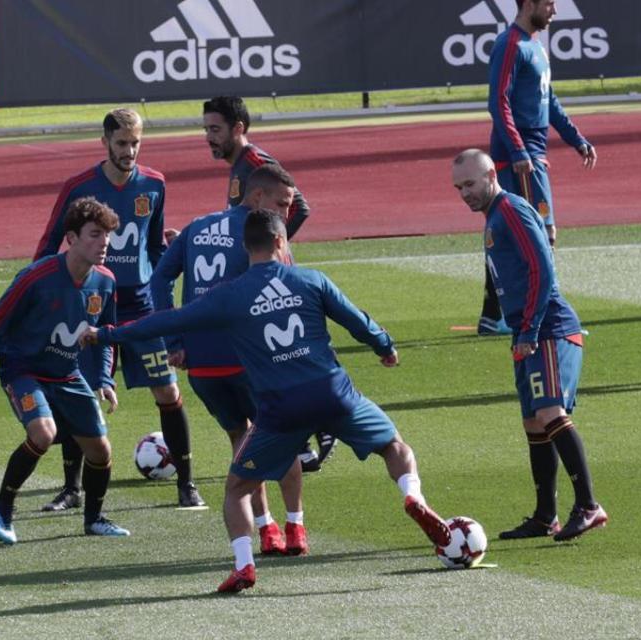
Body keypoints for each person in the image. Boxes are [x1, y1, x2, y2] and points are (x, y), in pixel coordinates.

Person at [80, 209, 452, 592]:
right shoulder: (311, 280)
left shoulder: (229, 296)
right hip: (333, 393)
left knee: (237, 489)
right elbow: (357, 321)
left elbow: (166, 322)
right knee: (394, 445)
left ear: (245, 246)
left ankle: (244, 565)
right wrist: (385, 346)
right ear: (280, 240)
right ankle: (412, 496)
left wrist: (105, 335)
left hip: (280, 409)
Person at [34, 108, 205, 509]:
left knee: (167, 391)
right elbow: (47, 247)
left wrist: (172, 277)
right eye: (122, 143)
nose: (130, 151)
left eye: (136, 143)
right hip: (90, 305)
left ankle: (187, 483)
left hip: (142, 306)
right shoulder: (79, 187)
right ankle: (72, 490)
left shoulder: (155, 184)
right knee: (79, 393)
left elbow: (157, 249)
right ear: (105, 142)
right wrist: (45, 300)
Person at [452, 148, 607, 542]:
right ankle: (544, 516)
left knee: (550, 412)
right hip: (528, 330)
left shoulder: (511, 210)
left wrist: (530, 329)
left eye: (470, 183)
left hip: (549, 329)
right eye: (458, 187)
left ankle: (589, 506)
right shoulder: (494, 217)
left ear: (491, 175)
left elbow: (542, 266)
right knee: (534, 422)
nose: (464, 193)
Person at [151, 165, 305, 556]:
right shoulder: (264, 235)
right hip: (249, 359)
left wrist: (174, 339)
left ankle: (265, 529)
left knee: (242, 438)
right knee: (282, 437)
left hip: (202, 364)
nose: (286, 214)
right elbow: (284, 294)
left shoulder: (196, 227)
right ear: (256, 198)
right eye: (282, 203)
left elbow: (158, 280)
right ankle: (294, 526)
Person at [0, 197, 129, 544]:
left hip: (67, 373)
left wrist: (104, 379)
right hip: (23, 370)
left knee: (100, 450)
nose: (104, 242)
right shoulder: (36, 277)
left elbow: (106, 335)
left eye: (108, 236)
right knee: (43, 433)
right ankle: (2, 510)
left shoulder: (105, 282)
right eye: (95, 234)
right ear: (71, 239)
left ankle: (94, 519)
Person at [203, 95, 335, 472]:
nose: (209, 137)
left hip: (270, 276)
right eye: (206, 130)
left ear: (238, 129)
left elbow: (300, 206)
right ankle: (310, 435)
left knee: (277, 354)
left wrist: (268, 250)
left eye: (215, 129)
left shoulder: (258, 163)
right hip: (259, 273)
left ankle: (319, 426)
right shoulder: (238, 167)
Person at [480, 0, 597, 336]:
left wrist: (575, 138)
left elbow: (549, 100)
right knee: (541, 234)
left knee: (515, 233)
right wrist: (517, 150)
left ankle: (493, 315)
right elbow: (497, 100)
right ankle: (549, 315)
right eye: (548, 4)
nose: (554, 11)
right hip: (520, 158)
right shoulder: (510, 44)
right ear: (528, 3)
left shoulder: (535, 47)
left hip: (532, 154)